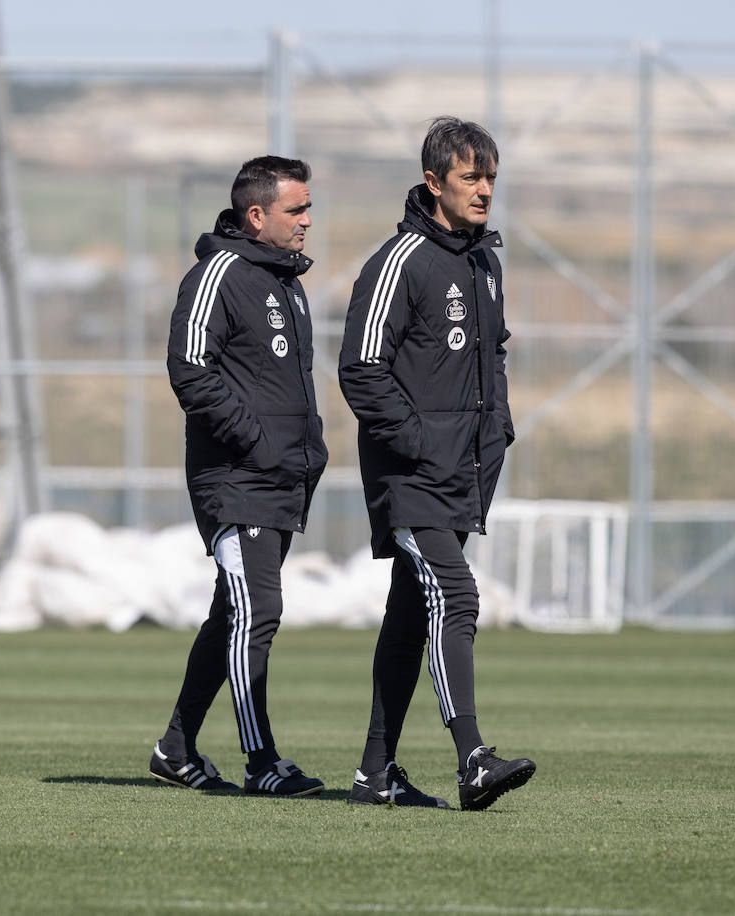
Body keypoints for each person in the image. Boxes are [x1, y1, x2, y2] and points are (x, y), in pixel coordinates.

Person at [338, 118, 535, 810]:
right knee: (458, 596)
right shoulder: (399, 262)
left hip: (462, 474)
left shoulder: (484, 261)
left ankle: (374, 773)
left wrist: (497, 432)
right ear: (433, 182)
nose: (484, 191)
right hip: (411, 476)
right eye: (470, 178)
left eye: (491, 178)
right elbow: (361, 371)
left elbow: (494, 358)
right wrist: (419, 443)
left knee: (410, 618)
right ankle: (472, 758)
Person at [150, 156, 329, 797]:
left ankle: (175, 747)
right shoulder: (217, 274)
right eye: (296, 210)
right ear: (257, 216)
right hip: (237, 481)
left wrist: (308, 451)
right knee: (259, 613)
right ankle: (262, 762)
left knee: (232, 615)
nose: (309, 220)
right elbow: (189, 370)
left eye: (309, 208)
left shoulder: (288, 282)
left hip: (282, 479)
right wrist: (257, 442)